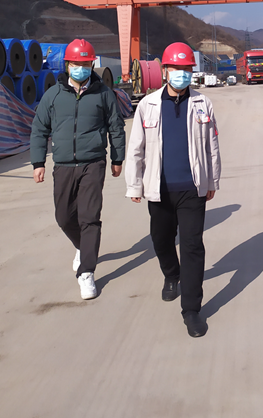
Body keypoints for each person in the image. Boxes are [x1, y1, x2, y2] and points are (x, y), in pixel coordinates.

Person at [125, 42, 221, 338]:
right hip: (159, 189)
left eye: (186, 69)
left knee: (192, 246)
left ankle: (191, 309)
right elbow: (136, 148)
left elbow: (212, 146)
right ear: (165, 70)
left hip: (192, 188)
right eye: (176, 68)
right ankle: (171, 274)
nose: (181, 74)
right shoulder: (148, 105)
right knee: (161, 240)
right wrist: (134, 184)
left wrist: (212, 181)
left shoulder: (203, 103)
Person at [31, 38, 125, 300]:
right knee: (63, 217)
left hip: (93, 163)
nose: (80, 68)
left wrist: (117, 158)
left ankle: (87, 272)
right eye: (76, 63)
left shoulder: (103, 93)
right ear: (67, 65)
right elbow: (39, 129)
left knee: (89, 217)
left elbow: (116, 127)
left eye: (85, 64)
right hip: (63, 165)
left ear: (92, 65)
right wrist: (38, 162)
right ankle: (82, 247)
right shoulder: (53, 95)